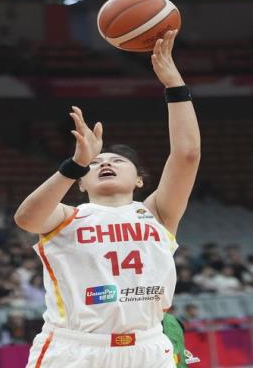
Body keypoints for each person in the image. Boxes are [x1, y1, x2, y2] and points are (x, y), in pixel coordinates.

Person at [14, 30, 200, 368]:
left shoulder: (157, 213)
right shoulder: (66, 216)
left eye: (117, 160)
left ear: (139, 179)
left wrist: (174, 84)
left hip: (148, 347)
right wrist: (75, 163)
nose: (106, 163)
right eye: (96, 163)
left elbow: (187, 155)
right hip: (76, 348)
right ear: (81, 184)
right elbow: (26, 219)